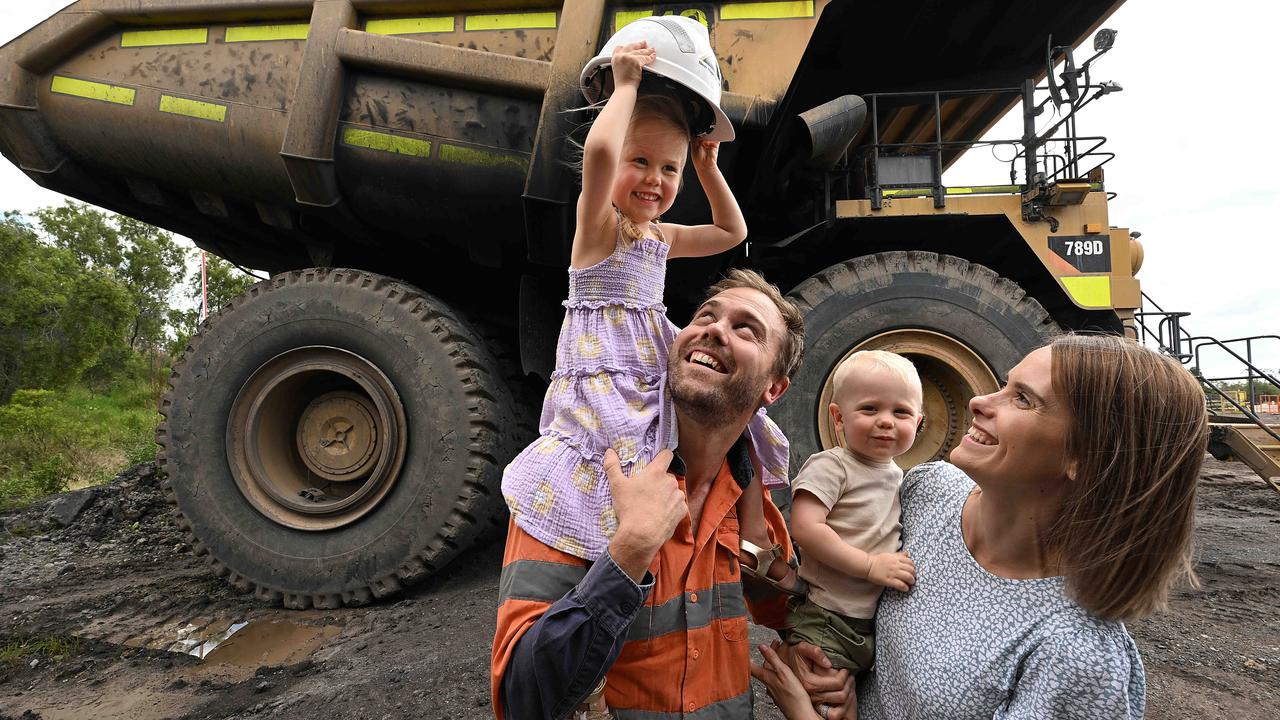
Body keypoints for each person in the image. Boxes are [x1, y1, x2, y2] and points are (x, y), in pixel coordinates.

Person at [753, 334, 1208, 720]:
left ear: (1084, 458)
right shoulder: (927, 492)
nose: (977, 400)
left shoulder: (1076, 656)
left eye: (1023, 399)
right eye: (1006, 384)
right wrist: (844, 675)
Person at [500, 22, 799, 598]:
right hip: (606, 383)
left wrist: (709, 169)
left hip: (651, 369)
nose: (654, 180)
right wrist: (626, 87)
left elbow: (730, 231)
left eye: (670, 169)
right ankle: (596, 580)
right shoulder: (599, 230)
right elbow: (601, 149)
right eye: (640, 161)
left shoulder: (659, 236)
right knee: (606, 479)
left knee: (746, 426)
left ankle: (755, 546)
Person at [491, 268, 842, 719]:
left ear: (773, 388)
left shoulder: (750, 497)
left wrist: (825, 661)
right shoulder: (574, 483)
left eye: (745, 329)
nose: (713, 329)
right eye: (704, 317)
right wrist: (630, 551)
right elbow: (522, 699)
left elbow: (789, 614)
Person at [783, 351, 923, 718]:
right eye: (870, 409)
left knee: (850, 703)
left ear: (919, 422)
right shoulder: (833, 466)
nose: (886, 422)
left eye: (901, 413)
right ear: (838, 417)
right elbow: (806, 528)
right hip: (827, 618)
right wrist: (869, 565)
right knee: (820, 703)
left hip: (869, 623)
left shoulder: (898, 476)